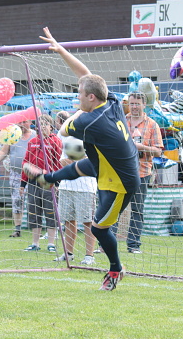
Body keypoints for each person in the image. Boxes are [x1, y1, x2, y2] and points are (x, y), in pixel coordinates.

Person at [23, 27, 140, 291]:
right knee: (78, 167)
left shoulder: (91, 120)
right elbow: (86, 75)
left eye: (79, 94)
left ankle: (115, 269)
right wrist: (60, 49)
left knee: (98, 229)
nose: (77, 97)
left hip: (120, 181)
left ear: (91, 97)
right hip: (107, 164)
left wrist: (76, 112)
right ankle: (47, 178)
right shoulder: (111, 101)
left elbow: (64, 130)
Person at [125, 92, 163, 253]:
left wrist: (142, 148)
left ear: (144, 105)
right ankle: (105, 245)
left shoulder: (152, 125)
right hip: (121, 172)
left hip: (142, 172)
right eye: (131, 104)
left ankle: (133, 245)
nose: (134, 107)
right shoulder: (121, 121)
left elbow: (158, 151)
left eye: (137, 104)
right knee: (113, 208)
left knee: (137, 210)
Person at [21, 114, 62, 253]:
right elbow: (26, 162)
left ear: (51, 126)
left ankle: (51, 243)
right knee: (34, 212)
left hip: (49, 182)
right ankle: (35, 243)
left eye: (45, 124)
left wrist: (57, 182)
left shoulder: (56, 141)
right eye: (40, 124)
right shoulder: (32, 141)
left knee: (50, 212)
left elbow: (58, 163)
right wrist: (23, 183)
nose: (42, 126)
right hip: (33, 182)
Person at [55, 134, 97, 265]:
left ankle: (89, 256)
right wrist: (79, 162)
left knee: (88, 221)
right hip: (66, 186)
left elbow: (91, 163)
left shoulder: (91, 139)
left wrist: (76, 163)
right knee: (68, 221)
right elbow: (63, 162)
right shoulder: (68, 140)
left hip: (86, 188)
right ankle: (68, 253)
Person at [0, 118, 36, 237]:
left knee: (35, 201)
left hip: (33, 175)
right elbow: (3, 151)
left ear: (30, 123)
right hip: (16, 174)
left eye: (24, 122)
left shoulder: (35, 136)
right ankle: (17, 229)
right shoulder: (12, 134)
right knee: (17, 201)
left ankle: (37, 228)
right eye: (20, 122)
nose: (22, 124)